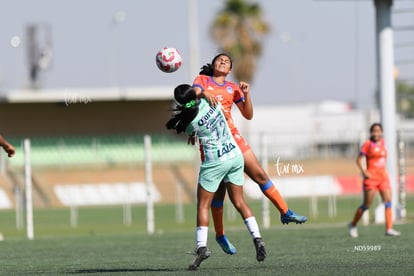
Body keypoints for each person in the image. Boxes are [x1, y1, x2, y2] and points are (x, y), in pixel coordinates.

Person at [191, 53, 307, 254]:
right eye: (219, 59)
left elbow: (248, 114)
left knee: (260, 175)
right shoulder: (202, 80)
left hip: (234, 138)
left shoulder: (233, 88)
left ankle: (285, 211)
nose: (223, 61)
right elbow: (192, 94)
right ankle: (220, 235)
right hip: (213, 142)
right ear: (213, 65)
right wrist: (201, 94)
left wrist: (247, 93)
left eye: (227, 62)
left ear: (229, 70)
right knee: (218, 196)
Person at [166, 84, 267, 270]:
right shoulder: (210, 101)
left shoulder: (189, 123)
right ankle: (258, 239)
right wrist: (204, 92)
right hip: (234, 156)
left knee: (203, 205)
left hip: (215, 162)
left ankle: (201, 248)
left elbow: (190, 119)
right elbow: (197, 92)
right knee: (239, 202)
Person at [348, 123, 401, 237]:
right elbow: (358, 159)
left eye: (378, 131)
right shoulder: (368, 144)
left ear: (381, 132)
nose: (376, 133)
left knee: (388, 201)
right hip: (371, 178)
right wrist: (364, 171)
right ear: (371, 132)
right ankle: (353, 224)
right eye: (374, 131)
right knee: (366, 205)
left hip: (383, 178)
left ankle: (389, 228)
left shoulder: (383, 143)